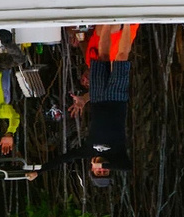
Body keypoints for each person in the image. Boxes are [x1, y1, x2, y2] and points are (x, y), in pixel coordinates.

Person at [27, 24, 135, 185]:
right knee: (121, 57)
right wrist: (105, 163)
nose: (102, 169)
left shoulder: (88, 150)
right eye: (105, 171)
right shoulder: (117, 156)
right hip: (117, 98)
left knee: (102, 57)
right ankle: (127, 23)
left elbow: (63, 159)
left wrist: (39, 171)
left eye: (99, 172)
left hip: (97, 98)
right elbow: (127, 167)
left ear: (92, 168)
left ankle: (106, 24)